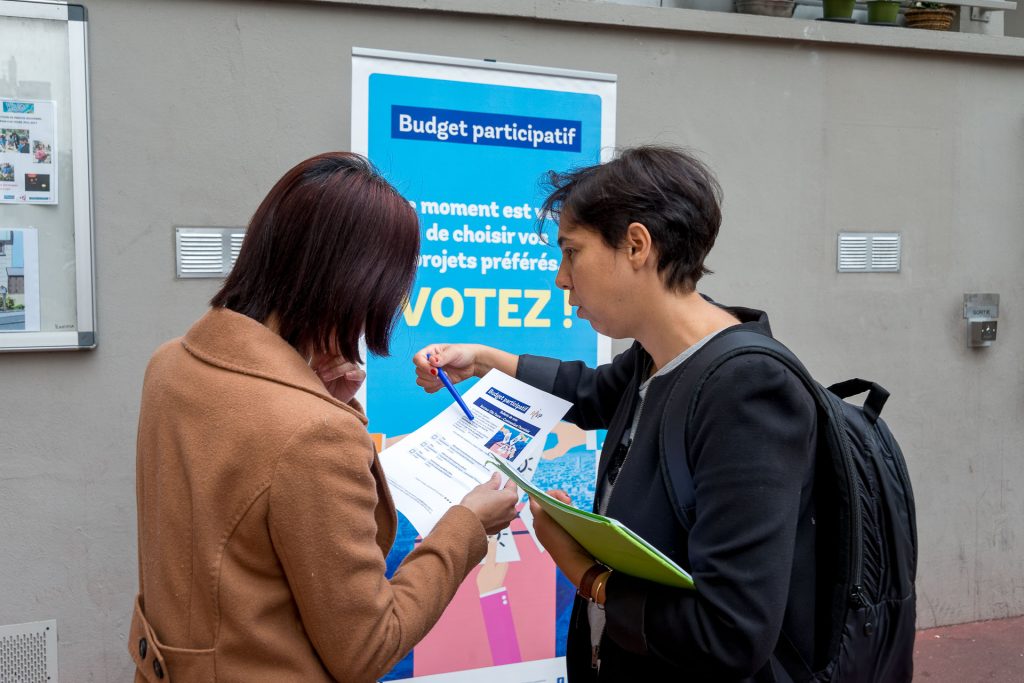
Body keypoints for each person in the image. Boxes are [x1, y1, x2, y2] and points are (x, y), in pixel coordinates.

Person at [414, 146, 824, 682]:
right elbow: (584, 392)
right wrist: (481, 359)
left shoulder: (748, 391)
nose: (562, 279)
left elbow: (731, 633)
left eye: (571, 252)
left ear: (636, 245)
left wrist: (584, 572)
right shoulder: (656, 357)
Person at [131, 152, 519, 683]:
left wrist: (324, 399)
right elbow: (368, 647)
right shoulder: (313, 435)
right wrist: (468, 526)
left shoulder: (170, 364)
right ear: (354, 287)